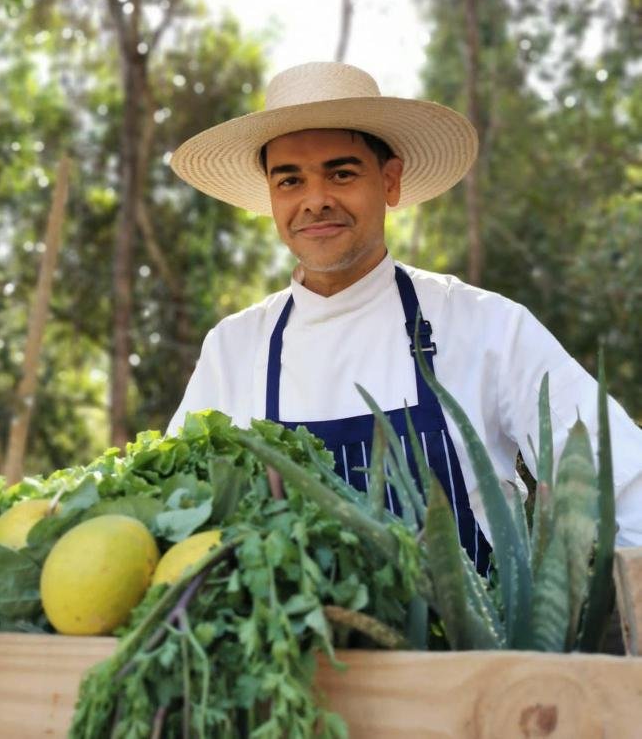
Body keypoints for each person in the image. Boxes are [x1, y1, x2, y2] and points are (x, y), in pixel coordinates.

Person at [166, 61, 642, 566]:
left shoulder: (487, 326)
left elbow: (624, 482)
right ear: (271, 196)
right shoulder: (232, 349)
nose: (316, 201)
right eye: (290, 181)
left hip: (470, 647)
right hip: (290, 648)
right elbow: (172, 510)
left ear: (389, 181)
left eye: (341, 173)